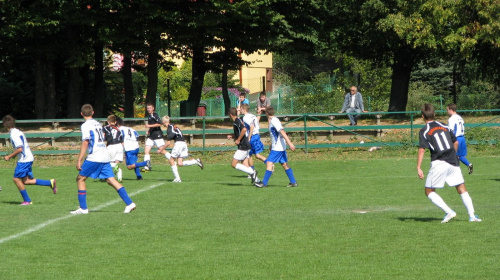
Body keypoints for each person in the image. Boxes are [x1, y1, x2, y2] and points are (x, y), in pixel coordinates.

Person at [417, 103, 481, 223]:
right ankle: (472, 216)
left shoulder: (424, 130)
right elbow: (455, 142)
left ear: (422, 116)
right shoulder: (444, 125)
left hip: (439, 162)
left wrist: (419, 167)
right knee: (461, 188)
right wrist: (453, 154)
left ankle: (449, 212)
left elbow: (422, 149)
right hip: (453, 161)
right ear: (434, 114)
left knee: (429, 191)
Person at [71, 104, 136, 214]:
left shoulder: (85, 125)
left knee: (80, 179)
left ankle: (83, 208)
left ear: (81, 114)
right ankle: (130, 203)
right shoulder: (98, 123)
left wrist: (79, 159)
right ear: (93, 112)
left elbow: (86, 142)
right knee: (111, 180)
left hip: (94, 156)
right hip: (104, 156)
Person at [2, 115, 57, 205]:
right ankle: (50, 183)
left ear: (5, 125)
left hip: (24, 160)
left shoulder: (13, 134)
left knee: (16, 179)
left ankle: (27, 200)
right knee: (26, 181)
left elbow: (20, 149)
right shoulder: (17, 131)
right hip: (28, 158)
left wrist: (9, 156)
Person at [255, 106, 297, 188]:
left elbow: (282, 132)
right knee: (284, 164)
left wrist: (290, 143)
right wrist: (272, 144)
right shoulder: (273, 120)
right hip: (279, 146)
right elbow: (277, 135)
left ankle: (264, 183)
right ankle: (293, 182)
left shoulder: (274, 121)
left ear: (267, 113)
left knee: (269, 163)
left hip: (278, 148)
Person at [158, 116, 203, 183]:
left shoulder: (169, 129)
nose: (162, 123)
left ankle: (177, 178)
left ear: (164, 122)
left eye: (162, 122)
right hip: (183, 143)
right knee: (180, 163)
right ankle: (196, 161)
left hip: (179, 144)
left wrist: (161, 149)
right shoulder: (173, 125)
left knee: (171, 160)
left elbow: (168, 143)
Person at [228, 107, 259, 184]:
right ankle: (258, 181)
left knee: (233, 164)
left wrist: (238, 139)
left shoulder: (237, 121)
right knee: (245, 164)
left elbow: (244, 129)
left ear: (230, 115)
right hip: (246, 145)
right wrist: (233, 136)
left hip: (243, 146)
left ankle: (253, 173)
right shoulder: (238, 120)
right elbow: (241, 132)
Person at [447, 103, 473, 174]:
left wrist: (450, 140)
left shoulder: (451, 119)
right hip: (462, 138)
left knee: (453, 155)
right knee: (460, 155)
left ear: (451, 109)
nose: (447, 111)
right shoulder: (460, 117)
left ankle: (454, 171)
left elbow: (451, 130)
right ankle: (469, 164)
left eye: (447, 110)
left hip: (456, 139)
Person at [241, 104, 267, 169]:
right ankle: (269, 164)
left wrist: (249, 137)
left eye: (241, 109)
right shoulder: (253, 116)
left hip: (252, 137)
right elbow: (256, 124)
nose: (240, 110)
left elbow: (252, 126)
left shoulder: (245, 117)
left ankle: (252, 172)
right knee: (257, 155)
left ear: (244, 110)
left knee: (249, 155)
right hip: (257, 136)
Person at [143, 103, 166, 171]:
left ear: (153, 108)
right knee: (146, 151)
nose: (148, 109)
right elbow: (151, 124)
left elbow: (159, 124)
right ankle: (147, 166)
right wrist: (149, 130)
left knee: (162, 151)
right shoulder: (149, 116)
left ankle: (172, 160)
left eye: (150, 108)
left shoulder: (155, 115)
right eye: (147, 108)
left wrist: (149, 126)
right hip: (151, 136)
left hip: (158, 135)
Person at [103, 115, 123, 182]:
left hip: (111, 146)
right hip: (119, 146)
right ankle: (119, 177)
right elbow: (122, 141)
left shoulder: (106, 128)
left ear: (108, 122)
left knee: (109, 162)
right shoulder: (119, 129)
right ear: (115, 122)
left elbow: (103, 137)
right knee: (116, 162)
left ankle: (107, 177)